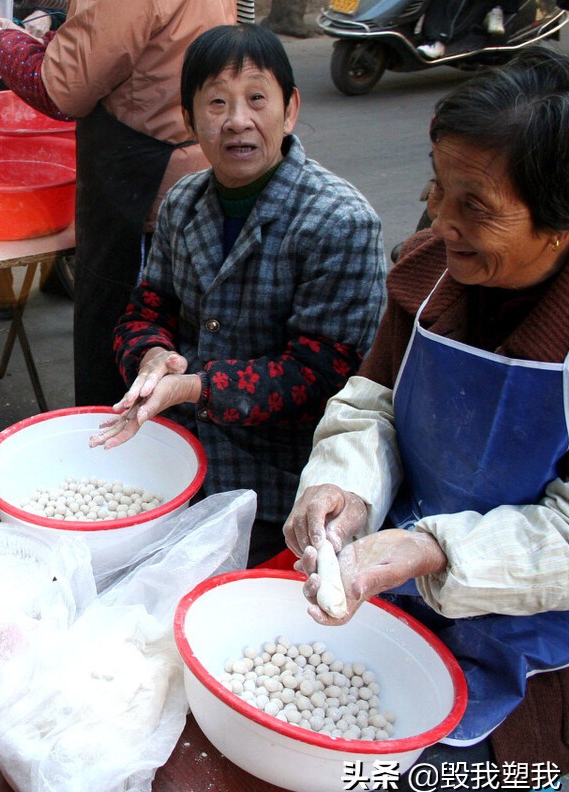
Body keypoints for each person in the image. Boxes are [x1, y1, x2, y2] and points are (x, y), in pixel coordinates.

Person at [285, 47, 569, 792]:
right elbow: (370, 403)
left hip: (543, 652)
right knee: (303, 747)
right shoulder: (431, 276)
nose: (440, 222)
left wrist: (432, 549)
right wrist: (341, 490)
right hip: (395, 587)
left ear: (564, 220)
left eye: (475, 206)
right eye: (437, 188)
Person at [89, 24, 386, 568]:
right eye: (217, 103)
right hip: (178, 461)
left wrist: (196, 388)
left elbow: (321, 373)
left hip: (279, 486)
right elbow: (146, 308)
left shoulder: (339, 221)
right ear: (189, 118)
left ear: (289, 109)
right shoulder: (184, 201)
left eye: (256, 99)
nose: (237, 121)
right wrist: (151, 355)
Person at [0, 0, 237, 408]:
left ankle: (116, 441)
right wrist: (49, 40)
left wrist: (1, 44)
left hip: (144, 176)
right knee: (174, 328)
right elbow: (129, 53)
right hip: (183, 159)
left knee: (127, 326)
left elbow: (60, 90)